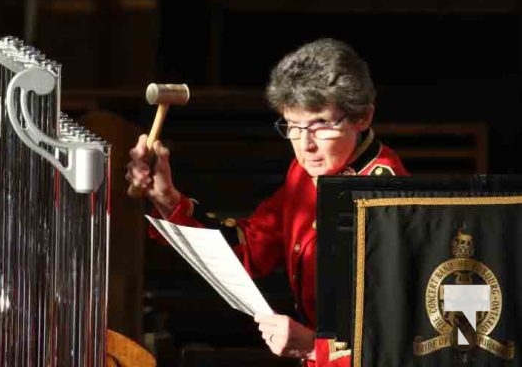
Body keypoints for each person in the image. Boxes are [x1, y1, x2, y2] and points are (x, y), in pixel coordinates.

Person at [125, 38, 408, 367]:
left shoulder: (383, 195)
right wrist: (166, 198)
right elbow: (253, 247)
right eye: (293, 125)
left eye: (320, 125)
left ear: (362, 117)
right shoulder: (305, 173)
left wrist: (315, 346)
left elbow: (399, 335)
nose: (305, 146)